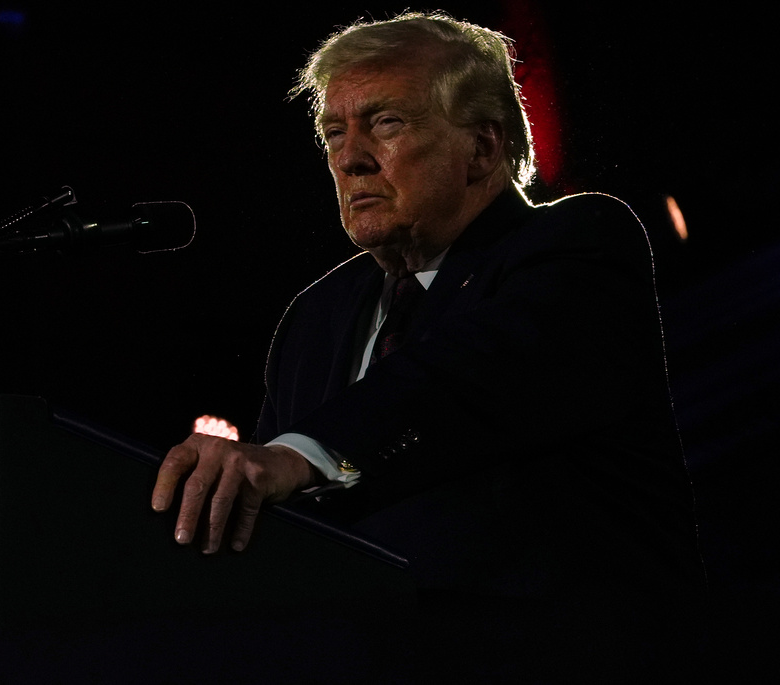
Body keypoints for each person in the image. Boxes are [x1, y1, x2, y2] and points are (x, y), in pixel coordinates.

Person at [151, 12, 705, 678]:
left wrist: (301, 455)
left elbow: (465, 378)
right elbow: (278, 538)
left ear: (482, 147)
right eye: (334, 131)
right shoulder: (313, 319)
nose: (350, 156)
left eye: (386, 123)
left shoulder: (578, 242)